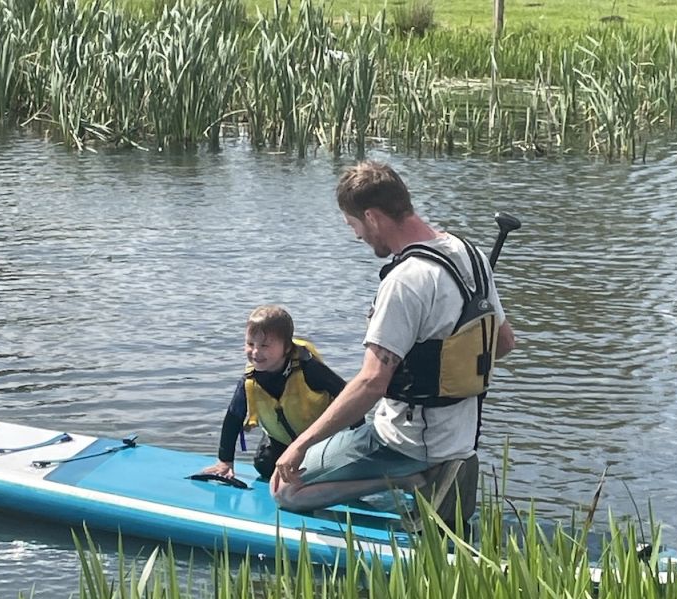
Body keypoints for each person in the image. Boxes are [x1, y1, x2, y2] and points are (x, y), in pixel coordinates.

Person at [271, 161, 516, 529]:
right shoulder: (471, 255)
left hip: (404, 440)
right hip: (460, 436)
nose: (357, 236)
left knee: (284, 489)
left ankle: (412, 478)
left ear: (371, 217)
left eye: (353, 225)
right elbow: (503, 343)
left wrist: (300, 444)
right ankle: (433, 470)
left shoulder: (405, 281)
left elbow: (372, 383)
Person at [201, 305, 347, 480]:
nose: (255, 352)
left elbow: (350, 398)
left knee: (326, 471)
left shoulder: (309, 369)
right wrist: (225, 462)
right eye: (250, 344)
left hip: (322, 440)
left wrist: (357, 442)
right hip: (283, 440)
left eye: (264, 345)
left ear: (286, 348)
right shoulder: (250, 379)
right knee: (264, 464)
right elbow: (234, 417)